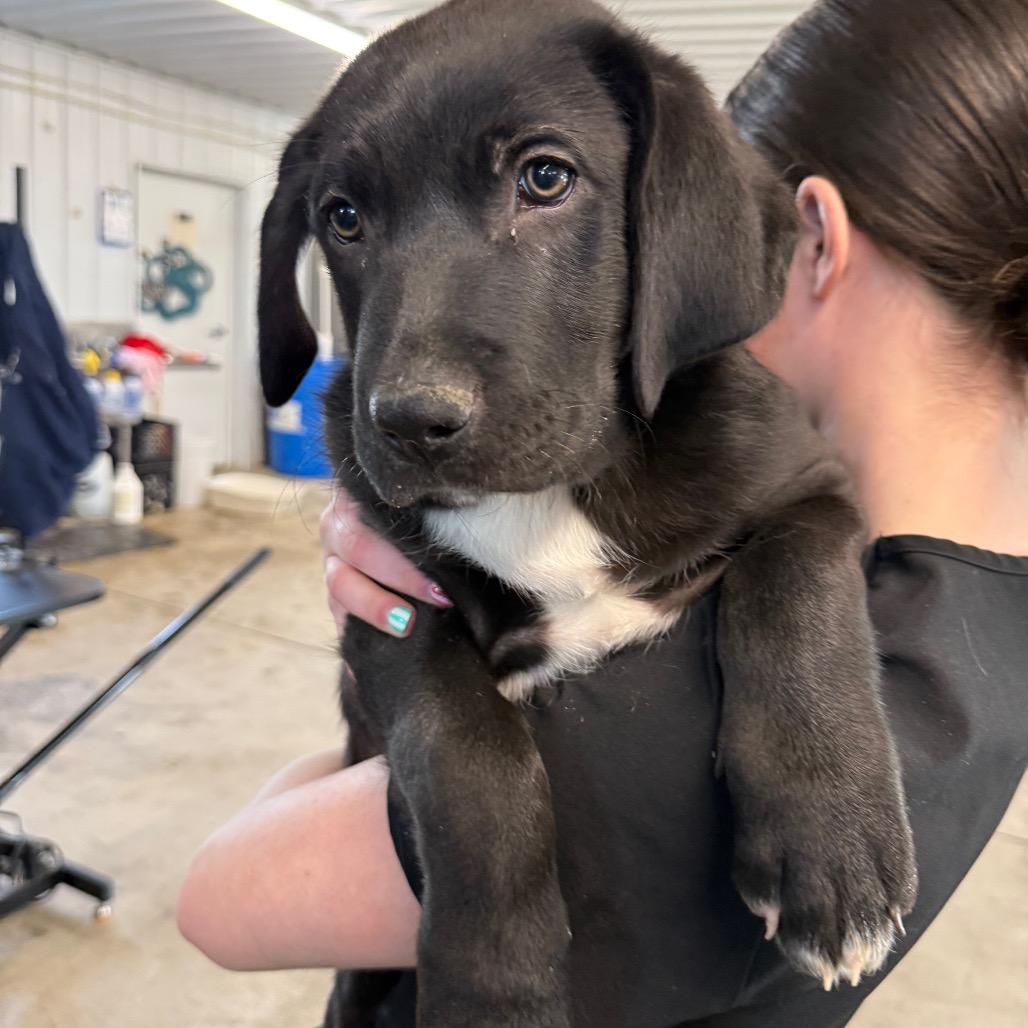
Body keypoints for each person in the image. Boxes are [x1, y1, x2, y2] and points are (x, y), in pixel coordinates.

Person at [177, 0, 1028, 1024]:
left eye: (543, 179)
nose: (403, 384)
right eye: (348, 220)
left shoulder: (786, 713)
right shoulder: (980, 615)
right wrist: (396, 665)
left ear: (809, 238)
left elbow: (219, 899)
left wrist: (368, 755)